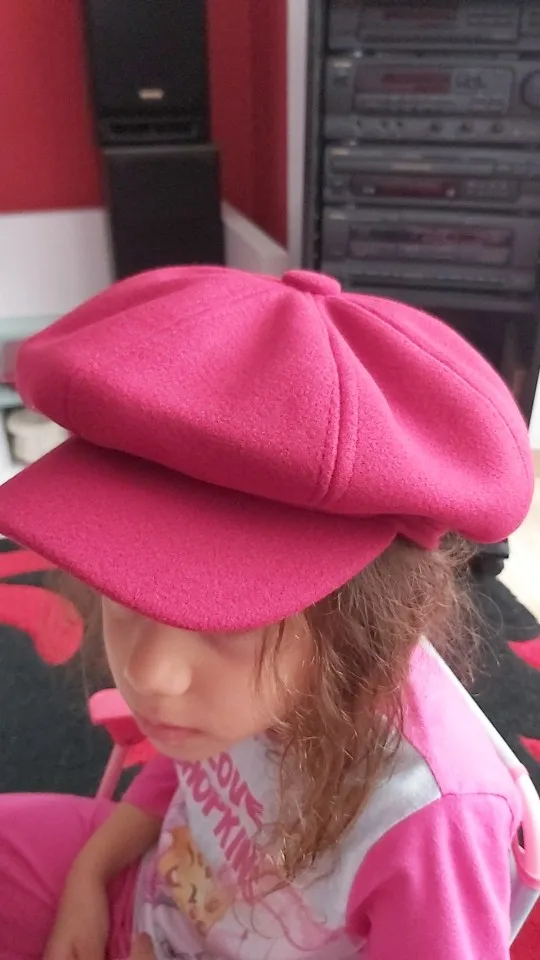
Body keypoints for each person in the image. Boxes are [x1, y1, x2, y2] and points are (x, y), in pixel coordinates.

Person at [0, 266, 536, 960]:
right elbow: (188, 775)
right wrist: (90, 876)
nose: (151, 676)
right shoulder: (228, 700)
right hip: (152, 893)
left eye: (228, 620)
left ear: (360, 622)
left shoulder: (432, 822)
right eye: (124, 598)